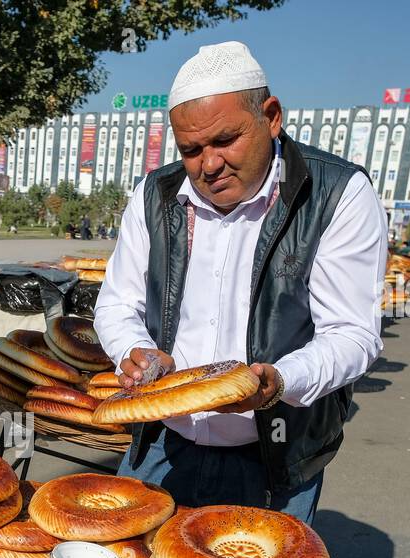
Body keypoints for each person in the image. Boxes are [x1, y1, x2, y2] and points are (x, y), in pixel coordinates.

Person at [93, 40, 386, 525]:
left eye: (225, 140)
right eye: (191, 150)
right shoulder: (155, 196)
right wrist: (136, 351)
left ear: (271, 117)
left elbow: (353, 333)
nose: (209, 165)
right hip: (162, 445)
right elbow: (117, 305)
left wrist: (279, 382)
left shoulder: (335, 193)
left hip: (272, 455)